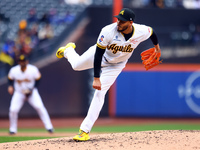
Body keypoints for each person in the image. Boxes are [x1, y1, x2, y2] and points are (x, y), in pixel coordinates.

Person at [56, 8, 161, 141]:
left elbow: (152, 32)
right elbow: (98, 55)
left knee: (100, 93)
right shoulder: (108, 31)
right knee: (76, 65)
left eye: (122, 21)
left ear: (130, 22)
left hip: (116, 65)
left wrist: (157, 48)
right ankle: (68, 50)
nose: (118, 23)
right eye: (118, 19)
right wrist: (96, 78)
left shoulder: (140, 31)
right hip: (100, 56)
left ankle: (84, 131)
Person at [7, 54, 54, 135]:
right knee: (13, 110)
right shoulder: (14, 70)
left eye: (23, 61)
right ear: (19, 62)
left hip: (32, 92)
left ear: (27, 61)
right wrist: (10, 86)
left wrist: (32, 89)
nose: (22, 63)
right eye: (21, 61)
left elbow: (38, 79)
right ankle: (12, 129)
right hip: (19, 93)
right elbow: (10, 79)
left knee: (40, 107)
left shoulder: (33, 69)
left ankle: (49, 127)